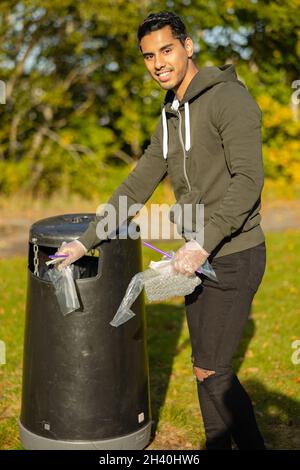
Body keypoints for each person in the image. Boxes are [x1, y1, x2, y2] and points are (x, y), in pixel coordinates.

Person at [56, 11, 267, 450]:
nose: (158, 63)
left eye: (166, 50)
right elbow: (137, 184)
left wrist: (202, 244)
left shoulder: (230, 100)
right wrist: (85, 240)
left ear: (188, 47)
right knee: (203, 367)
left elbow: (249, 181)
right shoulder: (170, 115)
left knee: (212, 369)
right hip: (197, 258)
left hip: (233, 252)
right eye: (149, 56)